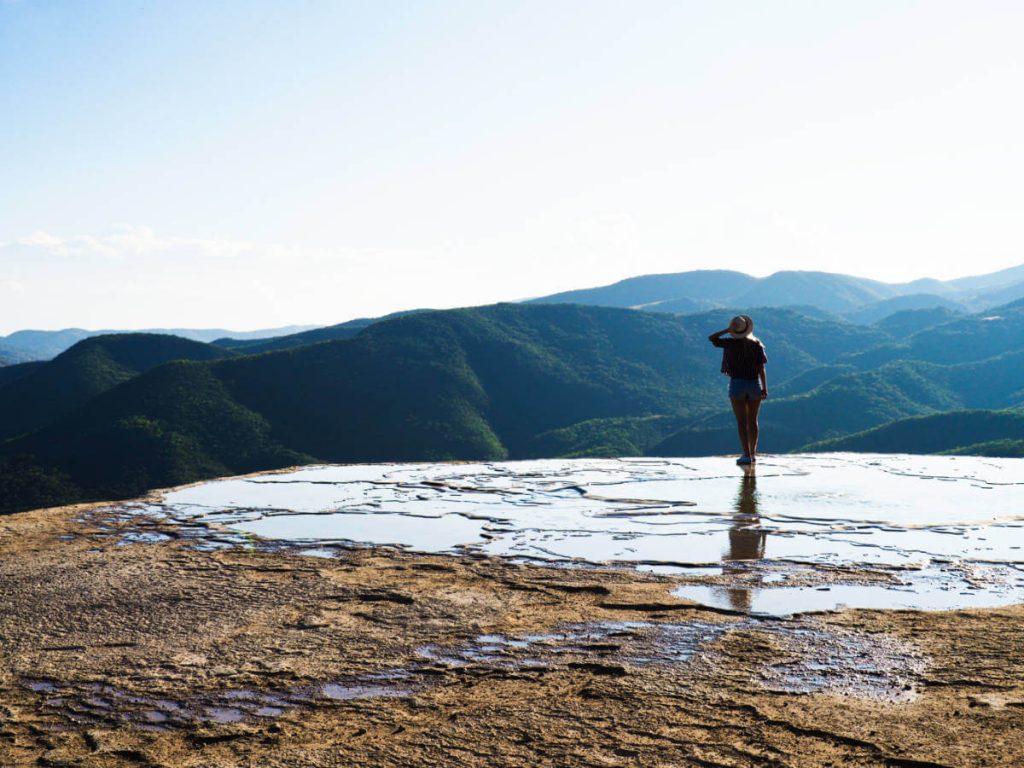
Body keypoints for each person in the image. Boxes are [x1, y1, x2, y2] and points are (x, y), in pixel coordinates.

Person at [708, 315, 768, 465]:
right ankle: (753, 454)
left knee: (741, 422)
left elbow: (712, 338)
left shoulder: (730, 343)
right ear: (748, 328)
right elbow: (762, 369)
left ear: (735, 330)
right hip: (754, 384)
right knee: (753, 421)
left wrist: (727, 330)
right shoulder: (757, 344)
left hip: (737, 384)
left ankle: (746, 454)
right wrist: (764, 387)